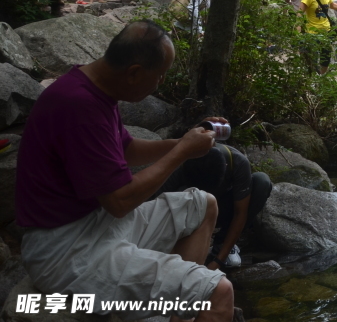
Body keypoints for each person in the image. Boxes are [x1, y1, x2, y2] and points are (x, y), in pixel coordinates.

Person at [14, 21, 234, 321]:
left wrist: (185, 141)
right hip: (67, 251)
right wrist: (182, 153)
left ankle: (172, 311)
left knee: (202, 205)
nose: (161, 82)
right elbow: (119, 202)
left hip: (96, 226)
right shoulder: (78, 105)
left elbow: (127, 150)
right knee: (218, 293)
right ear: (134, 72)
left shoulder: (94, 87)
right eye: (159, 75)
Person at [158, 144, 272, 270]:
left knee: (262, 182)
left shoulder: (237, 163)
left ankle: (222, 243)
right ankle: (183, 243)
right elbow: (157, 205)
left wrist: (218, 261)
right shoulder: (180, 162)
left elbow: (241, 213)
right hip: (188, 211)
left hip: (223, 207)